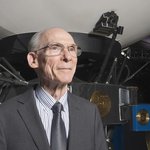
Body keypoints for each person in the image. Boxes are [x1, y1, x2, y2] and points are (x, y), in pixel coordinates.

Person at [0, 27, 108, 150]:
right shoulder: (5, 115)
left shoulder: (90, 112)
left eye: (72, 49)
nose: (67, 57)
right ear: (33, 59)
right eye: (55, 48)